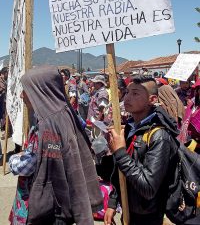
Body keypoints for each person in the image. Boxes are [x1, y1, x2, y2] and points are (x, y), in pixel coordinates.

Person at [9, 66, 102, 225]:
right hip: (61, 204)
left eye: (26, 90)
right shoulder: (64, 113)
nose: (21, 95)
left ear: (40, 92)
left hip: (51, 210)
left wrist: (13, 159)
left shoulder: (48, 124)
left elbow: (28, 164)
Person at [105, 76, 179, 225]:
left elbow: (148, 187)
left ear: (152, 100)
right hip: (129, 210)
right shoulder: (129, 128)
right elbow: (121, 172)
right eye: (127, 92)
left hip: (149, 216)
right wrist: (113, 202)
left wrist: (120, 152)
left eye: (136, 93)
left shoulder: (159, 136)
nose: (127, 98)